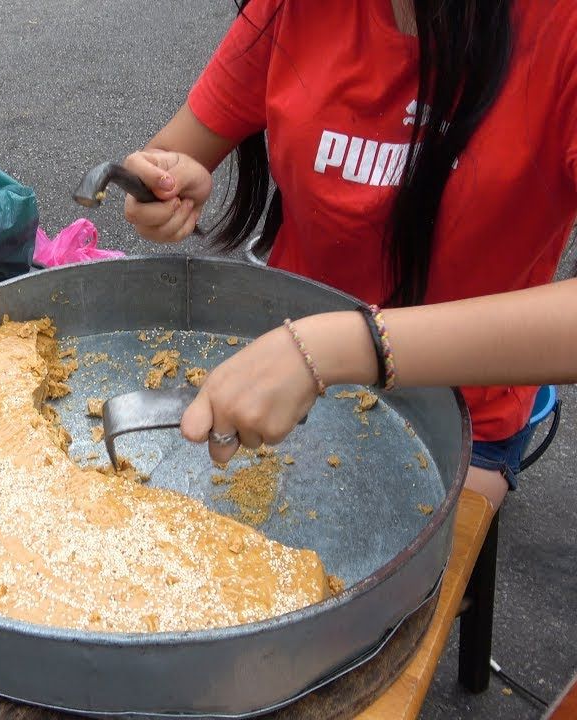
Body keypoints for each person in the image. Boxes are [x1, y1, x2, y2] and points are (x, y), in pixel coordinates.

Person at [120, 0, 577, 509]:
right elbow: (169, 155)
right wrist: (159, 186)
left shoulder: (560, 28)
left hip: (458, 410)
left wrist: (338, 348)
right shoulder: (294, 11)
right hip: (274, 373)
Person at [180, 278, 577, 467]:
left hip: (467, 421)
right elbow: (183, 152)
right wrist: (171, 178)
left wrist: (337, 346)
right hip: (277, 347)